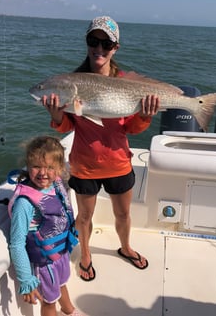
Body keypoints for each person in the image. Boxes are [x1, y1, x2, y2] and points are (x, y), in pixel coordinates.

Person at [42, 16, 160, 282]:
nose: (99, 48)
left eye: (106, 43)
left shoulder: (126, 82)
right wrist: (58, 116)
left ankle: (126, 247)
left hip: (119, 162)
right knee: (84, 217)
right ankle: (85, 255)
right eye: (93, 41)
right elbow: (67, 124)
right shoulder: (73, 81)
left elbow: (131, 129)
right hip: (84, 165)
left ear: (115, 47)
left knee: (123, 214)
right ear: (87, 43)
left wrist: (145, 115)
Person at [8, 136, 86, 316]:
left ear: (59, 169)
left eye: (50, 167)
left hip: (60, 255)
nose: (43, 173)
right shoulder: (24, 204)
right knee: (49, 303)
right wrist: (26, 280)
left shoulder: (56, 186)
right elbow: (17, 244)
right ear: (28, 166)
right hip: (44, 264)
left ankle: (69, 311)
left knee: (62, 284)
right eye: (36, 166)